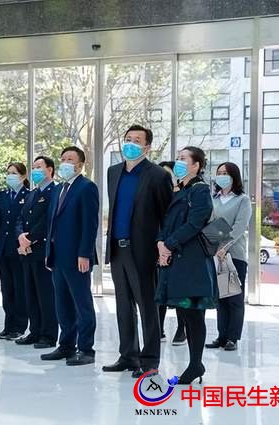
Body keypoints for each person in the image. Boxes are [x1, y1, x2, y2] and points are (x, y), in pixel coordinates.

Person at [102, 126, 173, 378]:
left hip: (143, 251)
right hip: (117, 248)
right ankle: (128, 356)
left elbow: (167, 216)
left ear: (147, 147)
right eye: (128, 139)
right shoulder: (113, 172)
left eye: (137, 140)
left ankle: (150, 360)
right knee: (123, 306)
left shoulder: (157, 175)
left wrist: (163, 246)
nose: (130, 144)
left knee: (147, 306)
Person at [156, 146, 217, 385]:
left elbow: (194, 224)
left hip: (192, 262)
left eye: (183, 159)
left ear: (196, 165)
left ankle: (195, 364)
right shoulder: (181, 190)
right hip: (177, 260)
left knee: (193, 314)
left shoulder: (200, 190)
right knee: (184, 311)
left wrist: (169, 245)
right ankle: (195, 364)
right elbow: (167, 222)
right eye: (178, 158)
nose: (178, 162)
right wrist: (161, 243)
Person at [42, 146, 99, 366]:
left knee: (82, 304)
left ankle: (86, 349)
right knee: (62, 304)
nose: (65, 162)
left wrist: (85, 253)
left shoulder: (87, 187)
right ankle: (66, 345)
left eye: (70, 159)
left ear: (80, 165)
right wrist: (48, 253)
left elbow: (90, 224)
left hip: (77, 257)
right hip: (57, 256)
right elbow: (51, 223)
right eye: (63, 158)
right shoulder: (58, 189)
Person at [205, 162, 252, 352]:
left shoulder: (242, 200)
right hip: (216, 255)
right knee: (221, 298)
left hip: (234, 256)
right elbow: (209, 224)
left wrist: (224, 247)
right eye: (219, 172)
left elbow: (239, 228)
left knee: (234, 298)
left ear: (234, 176)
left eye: (225, 173)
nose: (221, 175)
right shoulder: (214, 199)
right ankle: (221, 336)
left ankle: (233, 337)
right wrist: (215, 247)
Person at [14, 156, 58, 349]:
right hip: (27, 251)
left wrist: (30, 238)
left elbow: (48, 220)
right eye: (33, 167)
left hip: (42, 250)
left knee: (45, 294)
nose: (35, 171)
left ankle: (48, 335)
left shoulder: (54, 192)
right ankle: (35, 331)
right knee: (30, 294)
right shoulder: (32, 193)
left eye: (39, 167)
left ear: (50, 170)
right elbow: (20, 218)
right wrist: (20, 236)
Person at [0, 162, 30, 340]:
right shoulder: (3, 195)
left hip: (19, 248)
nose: (10, 176)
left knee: (19, 288)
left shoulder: (28, 195)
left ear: (23, 176)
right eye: (8, 173)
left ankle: (19, 326)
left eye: (14, 173)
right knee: (6, 289)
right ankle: (8, 325)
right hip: (3, 247)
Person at [157, 161, 187, 347]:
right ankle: (158, 329)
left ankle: (181, 329)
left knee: (179, 292)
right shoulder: (156, 195)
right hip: (159, 247)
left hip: (178, 248)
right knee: (160, 290)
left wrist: (170, 244)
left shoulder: (184, 194)